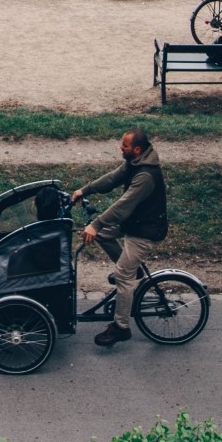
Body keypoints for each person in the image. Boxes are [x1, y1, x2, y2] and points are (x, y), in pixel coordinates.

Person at [70, 129, 168, 347]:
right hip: (135, 223)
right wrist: (84, 190)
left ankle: (121, 327)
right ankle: (136, 273)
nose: (120, 147)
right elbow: (112, 179)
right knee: (103, 236)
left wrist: (95, 224)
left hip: (145, 231)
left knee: (123, 276)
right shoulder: (134, 162)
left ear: (137, 149)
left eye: (124, 145)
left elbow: (123, 205)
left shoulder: (145, 175)